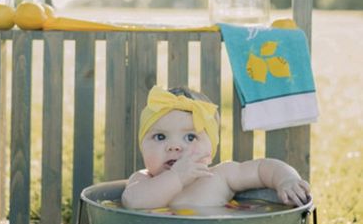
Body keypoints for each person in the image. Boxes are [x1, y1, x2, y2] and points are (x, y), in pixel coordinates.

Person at [121, 85, 311, 210]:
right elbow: (133, 201)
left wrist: (286, 179)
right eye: (160, 136)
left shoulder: (221, 175)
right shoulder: (142, 180)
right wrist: (176, 177)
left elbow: (262, 169)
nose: (174, 147)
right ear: (142, 146)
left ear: (211, 149)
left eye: (190, 137)